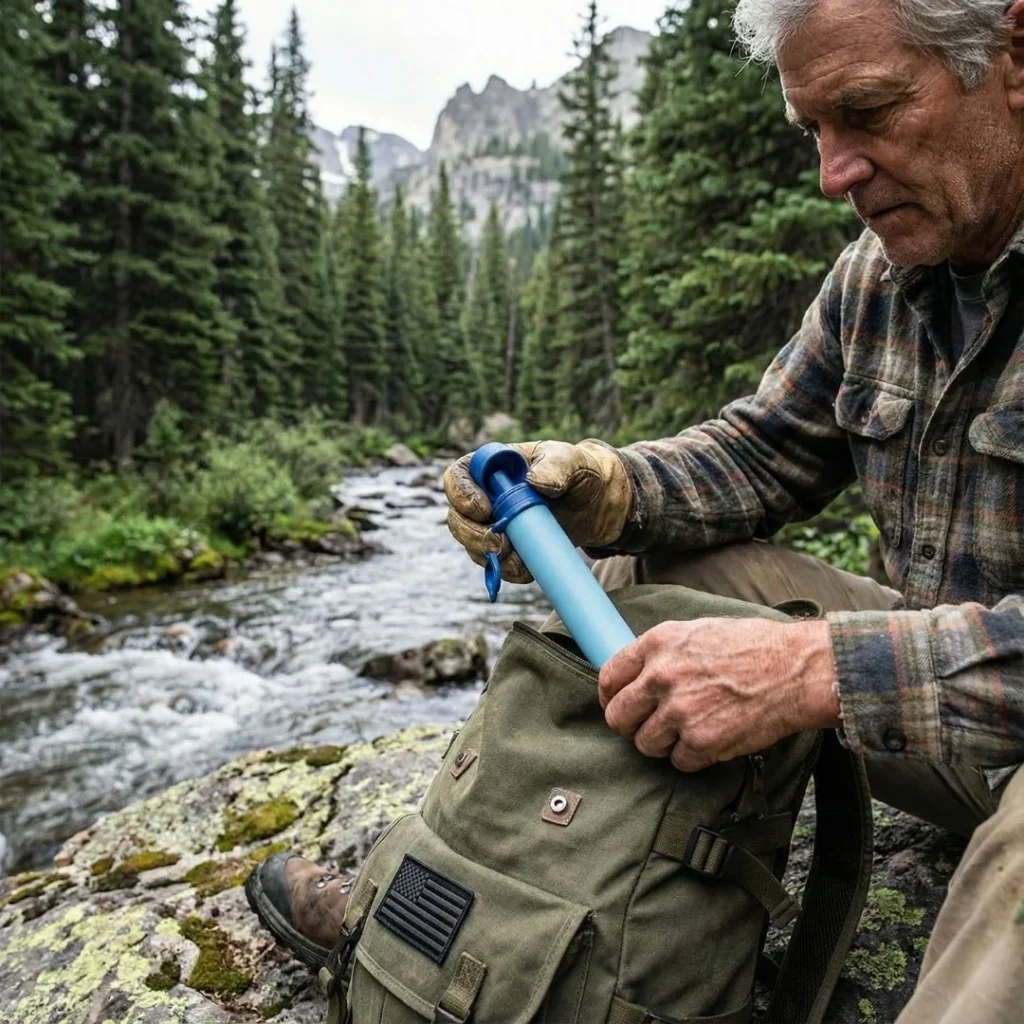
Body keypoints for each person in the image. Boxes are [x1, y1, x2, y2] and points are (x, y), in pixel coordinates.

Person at [246, 1, 1024, 1019]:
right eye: (813, 130)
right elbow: (762, 452)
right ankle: (459, 921)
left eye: (869, 112)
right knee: (640, 581)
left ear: (1013, 56)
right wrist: (603, 488)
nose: (833, 174)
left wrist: (814, 667)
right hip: (949, 722)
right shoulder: (878, 279)